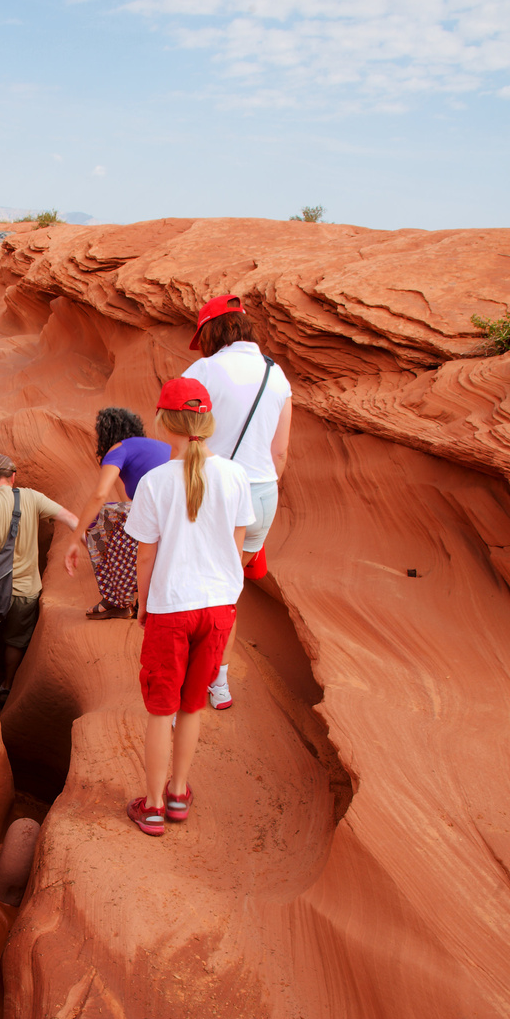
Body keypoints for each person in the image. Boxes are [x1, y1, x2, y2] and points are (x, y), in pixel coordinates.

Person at [122, 377, 254, 836]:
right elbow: (238, 547)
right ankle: (179, 792)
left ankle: (154, 805)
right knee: (192, 705)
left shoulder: (155, 482)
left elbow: (145, 554)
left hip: (172, 606)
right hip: (218, 606)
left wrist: (143, 604)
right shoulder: (236, 475)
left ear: (165, 421)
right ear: (208, 421)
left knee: (162, 708)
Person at [187, 294, 292, 710]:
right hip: (263, 495)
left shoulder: (205, 370)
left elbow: (184, 438)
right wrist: (258, 493)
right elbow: (280, 453)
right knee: (228, 593)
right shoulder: (276, 374)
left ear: (212, 330)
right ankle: (221, 684)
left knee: (198, 591)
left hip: (215, 494)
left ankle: (195, 681)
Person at [0, 455, 78, 702]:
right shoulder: (32, 497)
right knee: (16, 640)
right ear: (13, 477)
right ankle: (8, 684)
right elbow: (72, 519)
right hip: (27, 590)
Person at [63, 407, 170, 617]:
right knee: (130, 524)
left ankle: (117, 600)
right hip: (180, 517)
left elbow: (99, 495)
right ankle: (144, 593)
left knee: (101, 517)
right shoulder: (156, 447)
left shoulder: (119, 449)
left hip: (162, 518)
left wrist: (76, 537)